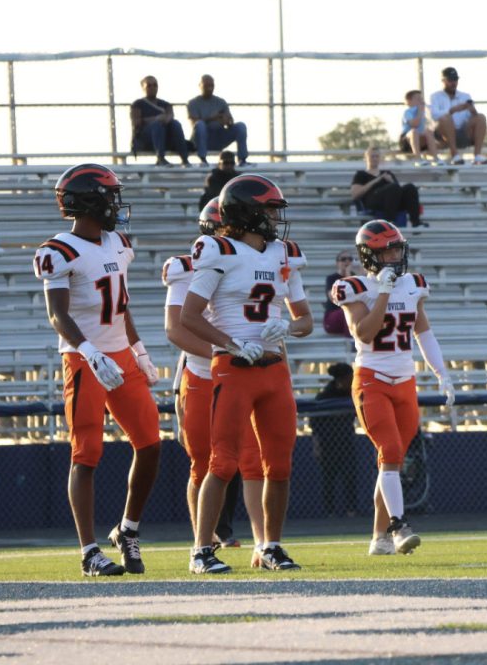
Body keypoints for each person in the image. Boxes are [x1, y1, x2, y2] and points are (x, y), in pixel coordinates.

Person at [32, 164, 163, 577]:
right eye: (108, 196)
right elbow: (58, 314)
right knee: (86, 454)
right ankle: (89, 551)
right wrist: (89, 352)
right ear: (88, 201)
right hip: (83, 359)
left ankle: (127, 529)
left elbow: (121, 307)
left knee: (151, 444)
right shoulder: (59, 251)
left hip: (121, 355)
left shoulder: (118, 243)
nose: (115, 204)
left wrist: (138, 349)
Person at [180, 174, 314, 574]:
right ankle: (201, 551)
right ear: (248, 213)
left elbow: (306, 319)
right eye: (269, 211)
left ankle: (270, 545)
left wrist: (287, 328)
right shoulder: (217, 249)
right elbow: (188, 317)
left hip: (274, 370)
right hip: (234, 367)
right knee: (221, 462)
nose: (275, 219)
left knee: (280, 464)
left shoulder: (282, 254)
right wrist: (233, 343)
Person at [333, 220, 455, 555]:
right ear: (370, 255)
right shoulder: (354, 286)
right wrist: (384, 292)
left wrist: (441, 371)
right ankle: (399, 526)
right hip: (372, 379)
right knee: (388, 452)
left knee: (394, 461)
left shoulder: (414, 284)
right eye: (387, 249)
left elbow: (423, 332)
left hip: (405, 382)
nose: (395, 255)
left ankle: (379, 537)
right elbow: (364, 334)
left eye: (397, 248)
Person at [163, 198, 272, 569]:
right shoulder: (186, 268)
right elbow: (176, 328)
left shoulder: (252, 262)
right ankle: (203, 542)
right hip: (202, 373)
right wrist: (222, 352)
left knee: (253, 461)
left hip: (243, 370)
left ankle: (264, 543)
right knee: (203, 463)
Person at [307, 362, 358, 518]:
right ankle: (330, 511)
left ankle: (351, 509)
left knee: (350, 476)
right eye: (349, 378)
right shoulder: (324, 396)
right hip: (327, 444)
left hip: (347, 441)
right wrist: (317, 446)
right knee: (328, 478)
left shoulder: (352, 394)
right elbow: (314, 425)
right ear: (341, 379)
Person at [350, 146, 426, 228]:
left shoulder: (387, 173)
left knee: (410, 187)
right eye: (372, 156)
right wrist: (377, 180)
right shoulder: (361, 174)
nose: (375, 159)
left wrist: (391, 181)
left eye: (377, 156)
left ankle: (416, 222)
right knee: (392, 188)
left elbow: (398, 190)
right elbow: (355, 194)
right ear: (366, 158)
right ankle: (390, 222)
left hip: (392, 202)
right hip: (373, 201)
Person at [428, 66, 487, 165]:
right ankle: (455, 155)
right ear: (443, 80)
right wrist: (451, 110)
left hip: (462, 132)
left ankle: (477, 155)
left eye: (455, 79)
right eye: (450, 80)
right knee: (445, 117)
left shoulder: (465, 96)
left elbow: (472, 118)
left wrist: (472, 110)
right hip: (443, 135)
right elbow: (434, 115)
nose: (453, 83)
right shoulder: (435, 96)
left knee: (481, 117)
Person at [188, 74, 249, 167]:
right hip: (202, 139)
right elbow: (194, 123)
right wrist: (212, 118)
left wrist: (227, 121)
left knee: (241, 126)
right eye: (206, 85)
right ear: (200, 86)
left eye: (211, 85)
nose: (209, 88)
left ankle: (242, 160)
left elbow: (230, 121)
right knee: (200, 125)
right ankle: (203, 160)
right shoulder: (193, 103)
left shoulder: (221, 102)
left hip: (219, 136)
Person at [131, 75, 191, 167]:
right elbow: (136, 122)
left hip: (165, 138)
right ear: (143, 87)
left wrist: (165, 119)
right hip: (146, 139)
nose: (152, 88)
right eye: (149, 85)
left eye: (155, 85)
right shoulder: (138, 104)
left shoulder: (165, 104)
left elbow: (170, 115)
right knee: (157, 125)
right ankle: (161, 158)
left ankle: (184, 159)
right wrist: (156, 119)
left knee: (176, 124)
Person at [400, 89, 440, 164]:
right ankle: (418, 159)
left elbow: (432, 124)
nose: (421, 101)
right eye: (418, 99)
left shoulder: (425, 112)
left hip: (420, 140)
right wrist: (420, 112)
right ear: (409, 101)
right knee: (414, 131)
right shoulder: (407, 112)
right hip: (407, 141)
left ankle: (436, 158)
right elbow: (415, 124)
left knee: (428, 131)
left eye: (421, 99)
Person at [323, 250, 356, 336]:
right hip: (333, 319)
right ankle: (351, 342)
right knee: (347, 311)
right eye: (343, 259)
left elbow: (358, 296)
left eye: (350, 259)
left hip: (350, 319)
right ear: (337, 263)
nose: (347, 261)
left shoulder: (355, 278)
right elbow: (333, 297)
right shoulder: (331, 278)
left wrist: (348, 275)